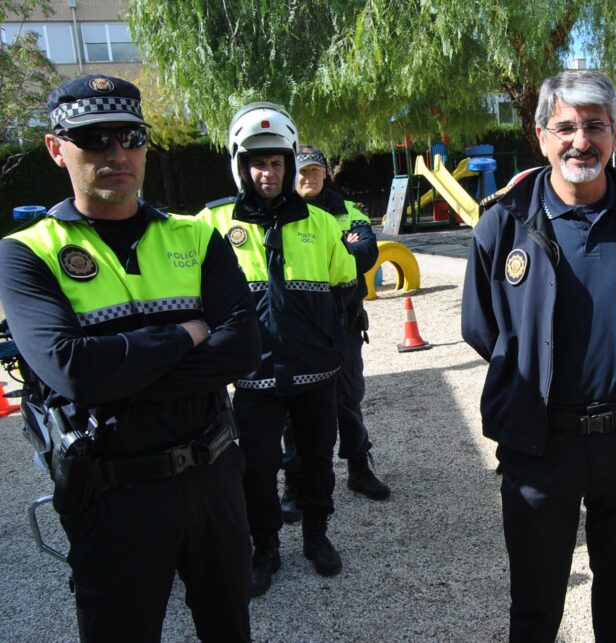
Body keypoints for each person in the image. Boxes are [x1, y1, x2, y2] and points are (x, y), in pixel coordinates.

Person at [0, 74, 261, 640]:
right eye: (95, 140)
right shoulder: (26, 255)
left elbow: (243, 345)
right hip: (114, 494)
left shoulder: (196, 237)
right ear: (56, 148)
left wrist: (121, 376)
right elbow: (72, 371)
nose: (117, 154)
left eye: (131, 137)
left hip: (214, 475)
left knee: (229, 627)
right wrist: (188, 334)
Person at [461, 70, 616, 642]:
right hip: (541, 445)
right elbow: (482, 327)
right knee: (536, 606)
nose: (580, 140)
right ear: (541, 136)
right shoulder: (505, 220)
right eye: (565, 126)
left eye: (594, 125)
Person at [198, 104, 357, 596]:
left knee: (316, 461)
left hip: (314, 376)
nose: (268, 172)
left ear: (289, 164)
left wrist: (329, 348)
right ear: (241, 165)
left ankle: (317, 536)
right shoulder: (212, 222)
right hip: (253, 379)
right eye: (257, 163)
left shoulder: (322, 222)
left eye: (277, 162)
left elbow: (345, 292)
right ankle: (264, 548)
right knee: (258, 469)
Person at [276, 145, 388, 520]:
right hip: (299, 328)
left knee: (348, 400)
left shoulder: (350, 212)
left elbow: (366, 255)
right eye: (301, 172)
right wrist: (339, 251)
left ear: (325, 173)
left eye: (314, 171)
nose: (307, 178)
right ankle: (294, 485)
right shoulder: (283, 216)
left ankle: (359, 469)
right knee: (294, 407)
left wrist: (327, 256)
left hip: (343, 324)